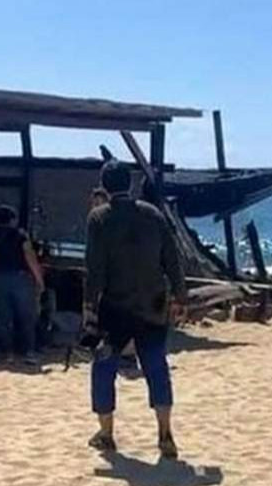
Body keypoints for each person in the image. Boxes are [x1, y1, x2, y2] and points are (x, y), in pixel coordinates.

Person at [84, 160, 188, 458]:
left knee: (104, 367)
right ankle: (165, 432)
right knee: (156, 365)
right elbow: (172, 258)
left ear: (104, 186)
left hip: (115, 307)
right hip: (152, 304)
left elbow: (94, 268)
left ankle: (106, 433)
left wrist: (89, 307)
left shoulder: (99, 218)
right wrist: (180, 296)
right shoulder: (152, 214)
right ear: (129, 184)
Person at [0, 205, 45, 364]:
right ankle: (29, 351)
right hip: (19, 279)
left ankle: (8, 352)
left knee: (4, 317)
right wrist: (39, 280)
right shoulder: (20, 236)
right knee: (26, 316)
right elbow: (30, 257)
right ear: (12, 220)